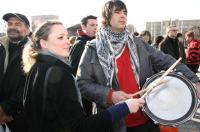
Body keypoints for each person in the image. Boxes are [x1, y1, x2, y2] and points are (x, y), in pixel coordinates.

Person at [76, 0, 200, 132]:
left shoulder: (138, 43)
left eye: (125, 12)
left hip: (146, 117)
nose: (123, 16)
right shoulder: (93, 48)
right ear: (106, 18)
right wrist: (110, 95)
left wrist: (195, 80)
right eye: (117, 12)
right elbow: (82, 83)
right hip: (115, 122)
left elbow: (166, 61)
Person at [22, 21, 145, 132]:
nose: (67, 41)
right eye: (60, 38)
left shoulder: (36, 67)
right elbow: (79, 127)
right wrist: (124, 108)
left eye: (66, 36)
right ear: (44, 43)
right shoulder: (60, 75)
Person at [0, 13, 31, 132]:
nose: (12, 27)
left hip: (22, 118)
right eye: (10, 24)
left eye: (18, 24)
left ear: (27, 30)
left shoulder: (34, 52)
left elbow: (29, 86)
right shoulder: (2, 48)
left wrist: (6, 109)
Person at [69, 15, 98, 116]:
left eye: (96, 25)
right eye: (92, 25)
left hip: (95, 91)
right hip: (84, 94)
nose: (95, 27)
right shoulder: (79, 45)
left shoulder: (96, 43)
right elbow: (74, 71)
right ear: (83, 26)